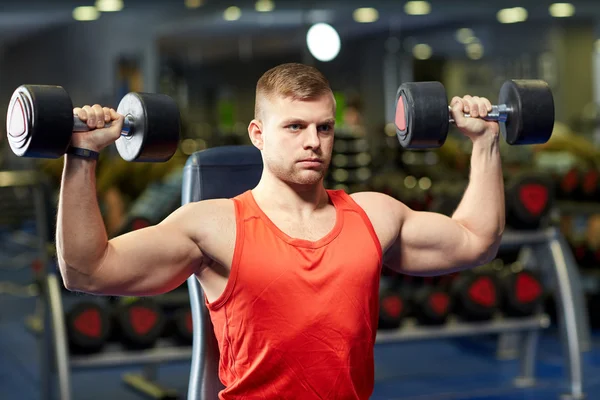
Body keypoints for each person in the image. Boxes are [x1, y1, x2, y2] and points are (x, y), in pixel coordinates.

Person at [56, 63, 504, 399]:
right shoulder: (214, 225)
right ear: (258, 133)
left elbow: (475, 240)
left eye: (323, 127)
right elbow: (88, 270)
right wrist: (81, 156)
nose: (313, 141)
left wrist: (485, 144)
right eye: (294, 126)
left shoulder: (374, 215)